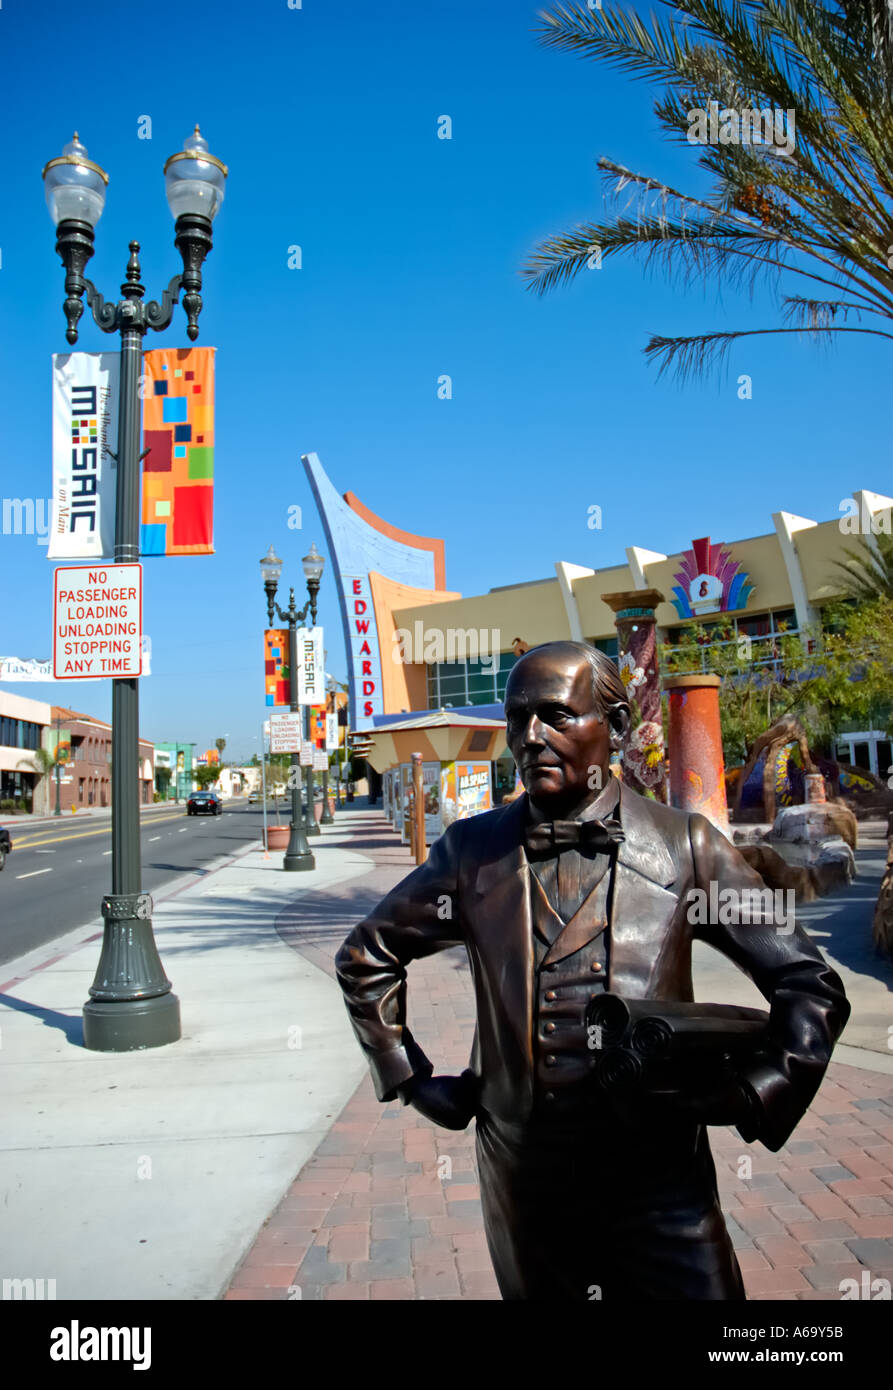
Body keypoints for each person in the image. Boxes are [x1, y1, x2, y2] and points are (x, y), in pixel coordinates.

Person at [335, 642, 850, 1300]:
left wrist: (758, 1088)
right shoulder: (472, 851)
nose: (530, 737)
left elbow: (807, 982)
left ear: (616, 725)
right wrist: (406, 1076)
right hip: (523, 1180)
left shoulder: (685, 846)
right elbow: (366, 955)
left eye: (555, 715)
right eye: (517, 718)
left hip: (660, 1178)